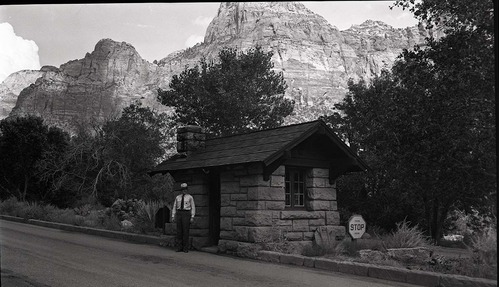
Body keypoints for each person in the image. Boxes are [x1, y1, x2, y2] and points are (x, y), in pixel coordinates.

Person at [171, 182, 195, 252]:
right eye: (183, 190)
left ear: (187, 190)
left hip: (186, 213)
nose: (184, 191)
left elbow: (193, 207)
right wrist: (173, 216)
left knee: (185, 231)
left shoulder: (190, 197)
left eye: (185, 189)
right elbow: (174, 206)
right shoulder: (177, 197)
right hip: (179, 213)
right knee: (179, 231)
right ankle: (179, 247)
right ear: (181, 190)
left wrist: (192, 216)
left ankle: (185, 248)